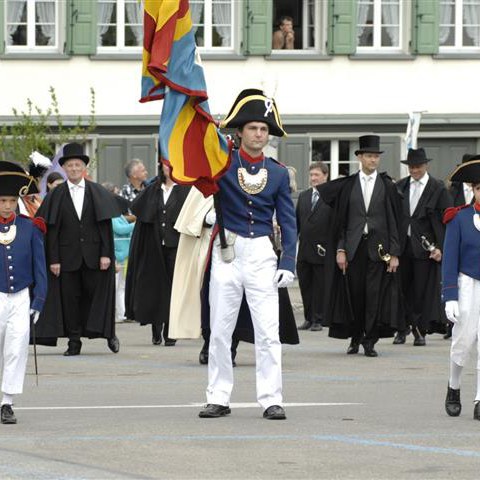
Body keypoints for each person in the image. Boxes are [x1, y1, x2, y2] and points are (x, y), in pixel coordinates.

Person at [198, 88, 297, 420]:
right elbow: (200, 155)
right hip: (228, 248)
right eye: (253, 128)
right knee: (220, 329)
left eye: (264, 129)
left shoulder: (279, 172)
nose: (259, 134)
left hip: (261, 252)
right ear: (239, 131)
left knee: (269, 332)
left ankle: (271, 398)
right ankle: (218, 396)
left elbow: (287, 220)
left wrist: (287, 262)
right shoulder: (222, 164)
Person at [320, 135, 403, 357]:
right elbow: (341, 222)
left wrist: (395, 253)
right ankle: (355, 337)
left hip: (379, 251)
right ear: (360, 157)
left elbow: (395, 221)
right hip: (354, 249)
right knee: (354, 295)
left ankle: (370, 340)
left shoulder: (387, 186)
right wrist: (340, 249)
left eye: (376, 156)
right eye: (369, 156)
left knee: (374, 296)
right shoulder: (348, 185)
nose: (373, 160)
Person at [35, 143, 120, 356]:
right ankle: (74, 342)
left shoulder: (96, 191)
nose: (74, 169)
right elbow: (52, 230)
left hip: (95, 257)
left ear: (84, 168)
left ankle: (108, 333)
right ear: (64, 169)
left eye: (78, 165)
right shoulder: (57, 194)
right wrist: (53, 259)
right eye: (70, 165)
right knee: (70, 301)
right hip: (66, 259)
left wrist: (105, 254)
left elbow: (104, 226)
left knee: (99, 296)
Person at [0, 161, 47, 424]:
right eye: (2, 200)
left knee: (16, 349)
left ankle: (7, 401)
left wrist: (39, 299)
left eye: (10, 200)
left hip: (20, 297)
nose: (7, 205)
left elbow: (39, 265)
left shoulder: (30, 227)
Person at [125, 162, 190, 346]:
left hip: (175, 246)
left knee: (173, 288)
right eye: (166, 166)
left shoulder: (185, 190)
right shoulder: (153, 189)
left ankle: (171, 330)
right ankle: (156, 328)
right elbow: (137, 207)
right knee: (155, 287)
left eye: (172, 166)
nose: (169, 170)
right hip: (154, 245)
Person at [393, 148, 452, 346]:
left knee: (421, 291)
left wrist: (440, 248)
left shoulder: (438, 188)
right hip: (402, 247)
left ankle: (420, 330)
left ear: (426, 166)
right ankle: (402, 328)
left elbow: (445, 221)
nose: (414, 170)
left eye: (417, 166)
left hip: (426, 248)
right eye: (411, 167)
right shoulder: (400, 186)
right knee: (400, 289)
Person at [442, 159, 480, 420]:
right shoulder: (459, 218)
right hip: (467, 285)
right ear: (474, 190)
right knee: (462, 343)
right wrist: (450, 296)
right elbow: (450, 259)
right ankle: (454, 386)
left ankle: (479, 398)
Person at [296, 160, 331, 332]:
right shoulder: (303, 196)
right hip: (303, 250)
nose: (313, 178)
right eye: (311, 175)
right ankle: (308, 318)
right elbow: (296, 223)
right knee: (305, 285)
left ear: (326, 176)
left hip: (322, 250)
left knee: (319, 287)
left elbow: (336, 225)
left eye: (317, 175)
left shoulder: (332, 197)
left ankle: (319, 318)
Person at [102, 183, 135, 324]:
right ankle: (117, 313)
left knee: (121, 286)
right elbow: (120, 230)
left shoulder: (117, 214)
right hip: (118, 255)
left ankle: (121, 313)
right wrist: (136, 224)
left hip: (124, 255)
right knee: (116, 287)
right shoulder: (112, 215)